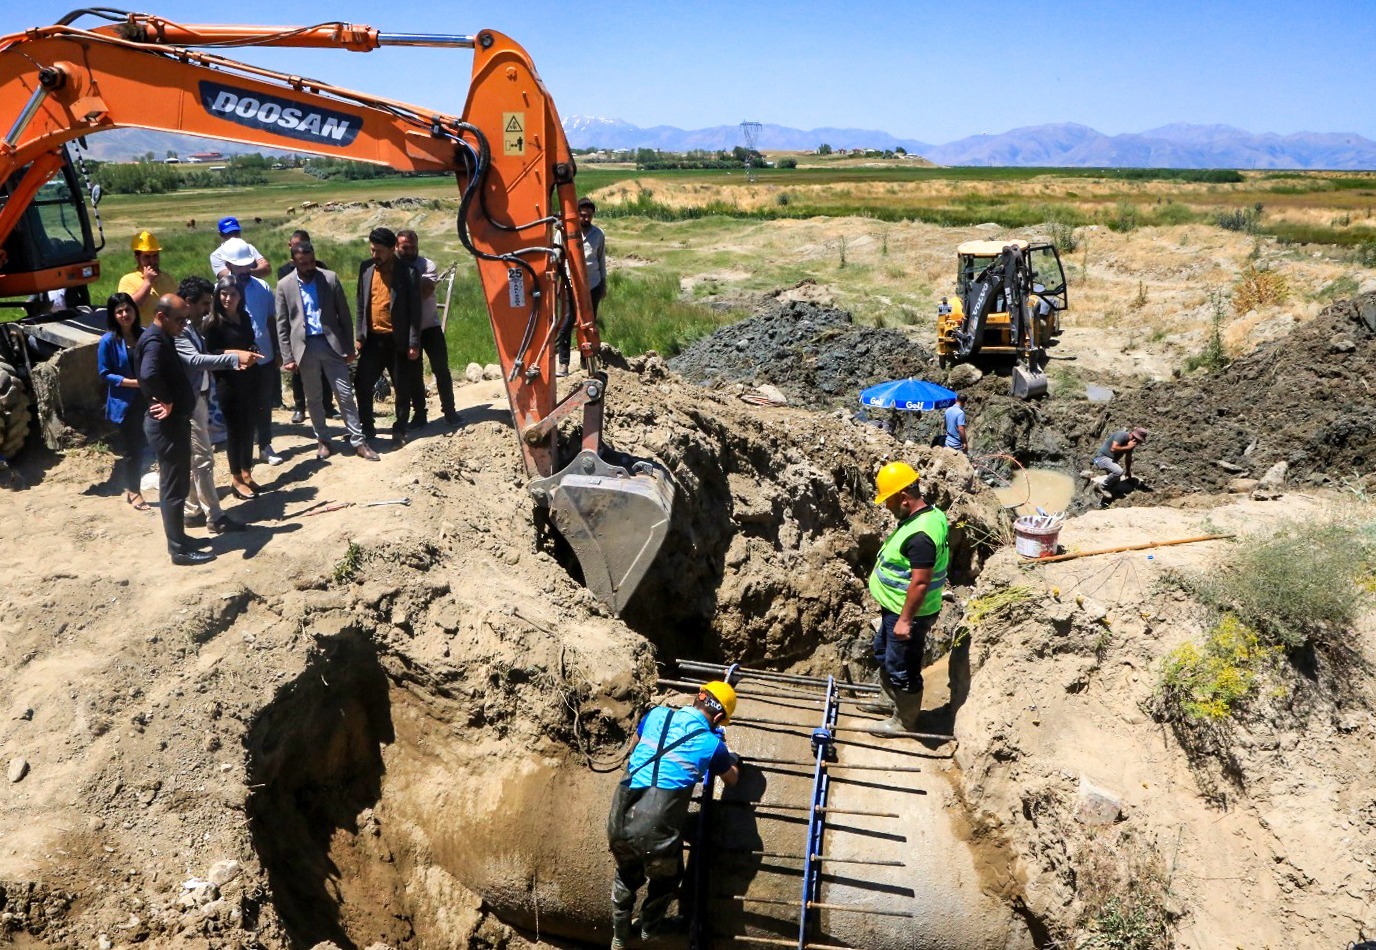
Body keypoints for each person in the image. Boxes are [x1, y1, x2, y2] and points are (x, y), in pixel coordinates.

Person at [607, 682, 741, 948]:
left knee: (626, 873)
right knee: (667, 876)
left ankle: (619, 936)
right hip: (655, 830)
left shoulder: (655, 714)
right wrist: (732, 758)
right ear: (717, 718)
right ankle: (650, 927)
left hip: (620, 815)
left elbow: (634, 747)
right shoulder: (710, 743)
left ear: (697, 698)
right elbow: (732, 780)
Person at [274, 241, 380, 461]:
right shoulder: (284, 285)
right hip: (304, 347)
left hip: (331, 344)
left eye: (312, 261)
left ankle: (358, 440)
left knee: (344, 394)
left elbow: (345, 315)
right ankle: (323, 439)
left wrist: (349, 348)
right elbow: (282, 324)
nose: (309, 266)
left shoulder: (329, 278)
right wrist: (287, 357)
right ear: (294, 262)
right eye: (303, 263)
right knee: (313, 397)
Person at [867, 461, 950, 735]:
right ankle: (890, 701)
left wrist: (905, 620)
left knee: (902, 667)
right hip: (895, 607)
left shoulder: (921, 535)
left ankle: (904, 721)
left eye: (888, 501)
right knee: (883, 651)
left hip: (909, 613)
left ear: (903, 498)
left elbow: (921, 582)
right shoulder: (929, 514)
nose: (887, 507)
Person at [135, 294, 214, 566]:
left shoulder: (162, 336)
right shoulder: (156, 341)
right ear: (161, 316)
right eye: (179, 320)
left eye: (186, 319)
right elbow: (148, 374)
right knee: (172, 488)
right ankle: (178, 550)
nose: (183, 325)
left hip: (173, 423)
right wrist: (167, 401)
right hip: (165, 426)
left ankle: (180, 538)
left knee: (179, 485)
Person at [176, 276, 257, 533]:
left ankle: (192, 511)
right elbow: (199, 360)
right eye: (204, 303)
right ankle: (215, 516)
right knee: (202, 460)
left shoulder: (189, 327)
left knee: (192, 460)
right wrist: (234, 358)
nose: (207, 308)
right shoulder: (181, 331)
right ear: (189, 303)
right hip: (188, 402)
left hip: (196, 399)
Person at [355, 226, 422, 448]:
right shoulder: (366, 269)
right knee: (362, 383)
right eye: (372, 250)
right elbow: (360, 305)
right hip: (373, 340)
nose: (375, 255)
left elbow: (415, 311)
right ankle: (367, 426)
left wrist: (413, 343)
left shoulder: (408, 272)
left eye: (379, 251)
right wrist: (359, 335)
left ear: (392, 249)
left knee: (402, 388)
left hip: (398, 340)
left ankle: (400, 428)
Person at [203, 276, 268, 500]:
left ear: (240, 296)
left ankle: (247, 471)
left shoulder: (244, 317)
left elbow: (248, 341)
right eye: (224, 294)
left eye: (233, 294)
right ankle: (236, 479)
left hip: (249, 377)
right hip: (228, 383)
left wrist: (251, 349)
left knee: (249, 427)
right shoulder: (213, 323)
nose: (228, 298)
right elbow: (210, 354)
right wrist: (235, 355)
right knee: (235, 431)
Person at [220, 237, 282, 466]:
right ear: (229, 264)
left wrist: (276, 350)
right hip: (236, 360)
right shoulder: (221, 291)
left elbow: (270, 320)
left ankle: (265, 445)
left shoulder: (262, 287)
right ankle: (242, 454)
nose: (245, 270)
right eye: (240, 266)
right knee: (241, 407)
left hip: (263, 355)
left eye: (248, 265)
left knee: (263, 402)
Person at [396, 229, 459, 427]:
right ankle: (420, 415)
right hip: (407, 330)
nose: (410, 251)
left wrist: (402, 285)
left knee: (441, 370)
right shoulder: (393, 267)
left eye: (413, 247)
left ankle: (450, 412)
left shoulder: (427, 265)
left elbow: (424, 291)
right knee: (414, 374)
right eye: (405, 247)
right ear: (397, 247)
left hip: (430, 326)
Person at [276, 229, 336, 424]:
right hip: (299, 333)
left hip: (320, 330)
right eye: (296, 245)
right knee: (298, 372)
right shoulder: (284, 272)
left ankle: (328, 406)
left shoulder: (320, 268)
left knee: (325, 373)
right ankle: (300, 407)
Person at [96, 292, 149, 511]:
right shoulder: (108, 341)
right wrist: (131, 382)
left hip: (149, 397)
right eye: (119, 311)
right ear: (113, 316)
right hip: (126, 402)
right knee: (132, 449)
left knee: (153, 445)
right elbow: (104, 373)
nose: (125, 314)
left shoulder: (145, 335)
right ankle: (133, 490)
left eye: (128, 309)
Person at [556, 197, 608, 378]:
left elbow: (601, 260)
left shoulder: (598, 234)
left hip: (592, 284)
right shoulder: (563, 233)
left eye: (589, 216)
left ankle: (587, 361)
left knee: (589, 322)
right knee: (568, 321)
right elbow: (557, 258)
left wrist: (603, 284)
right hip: (570, 284)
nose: (586, 219)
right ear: (576, 214)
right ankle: (563, 363)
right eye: (583, 215)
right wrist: (556, 283)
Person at [117, 231, 177, 309]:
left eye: (155, 256)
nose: (152, 261)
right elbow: (130, 307)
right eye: (147, 257)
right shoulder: (127, 281)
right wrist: (148, 282)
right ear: (137, 258)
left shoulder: (167, 278)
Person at [1092, 426, 1149, 497]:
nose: (1138, 443)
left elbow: (1128, 458)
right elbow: (1113, 448)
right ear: (1134, 437)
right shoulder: (1122, 435)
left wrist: (1128, 471)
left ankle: (1108, 500)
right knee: (1118, 471)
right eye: (1138, 440)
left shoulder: (1131, 443)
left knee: (1115, 484)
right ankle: (1101, 486)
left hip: (1110, 460)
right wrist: (1128, 447)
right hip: (1100, 459)